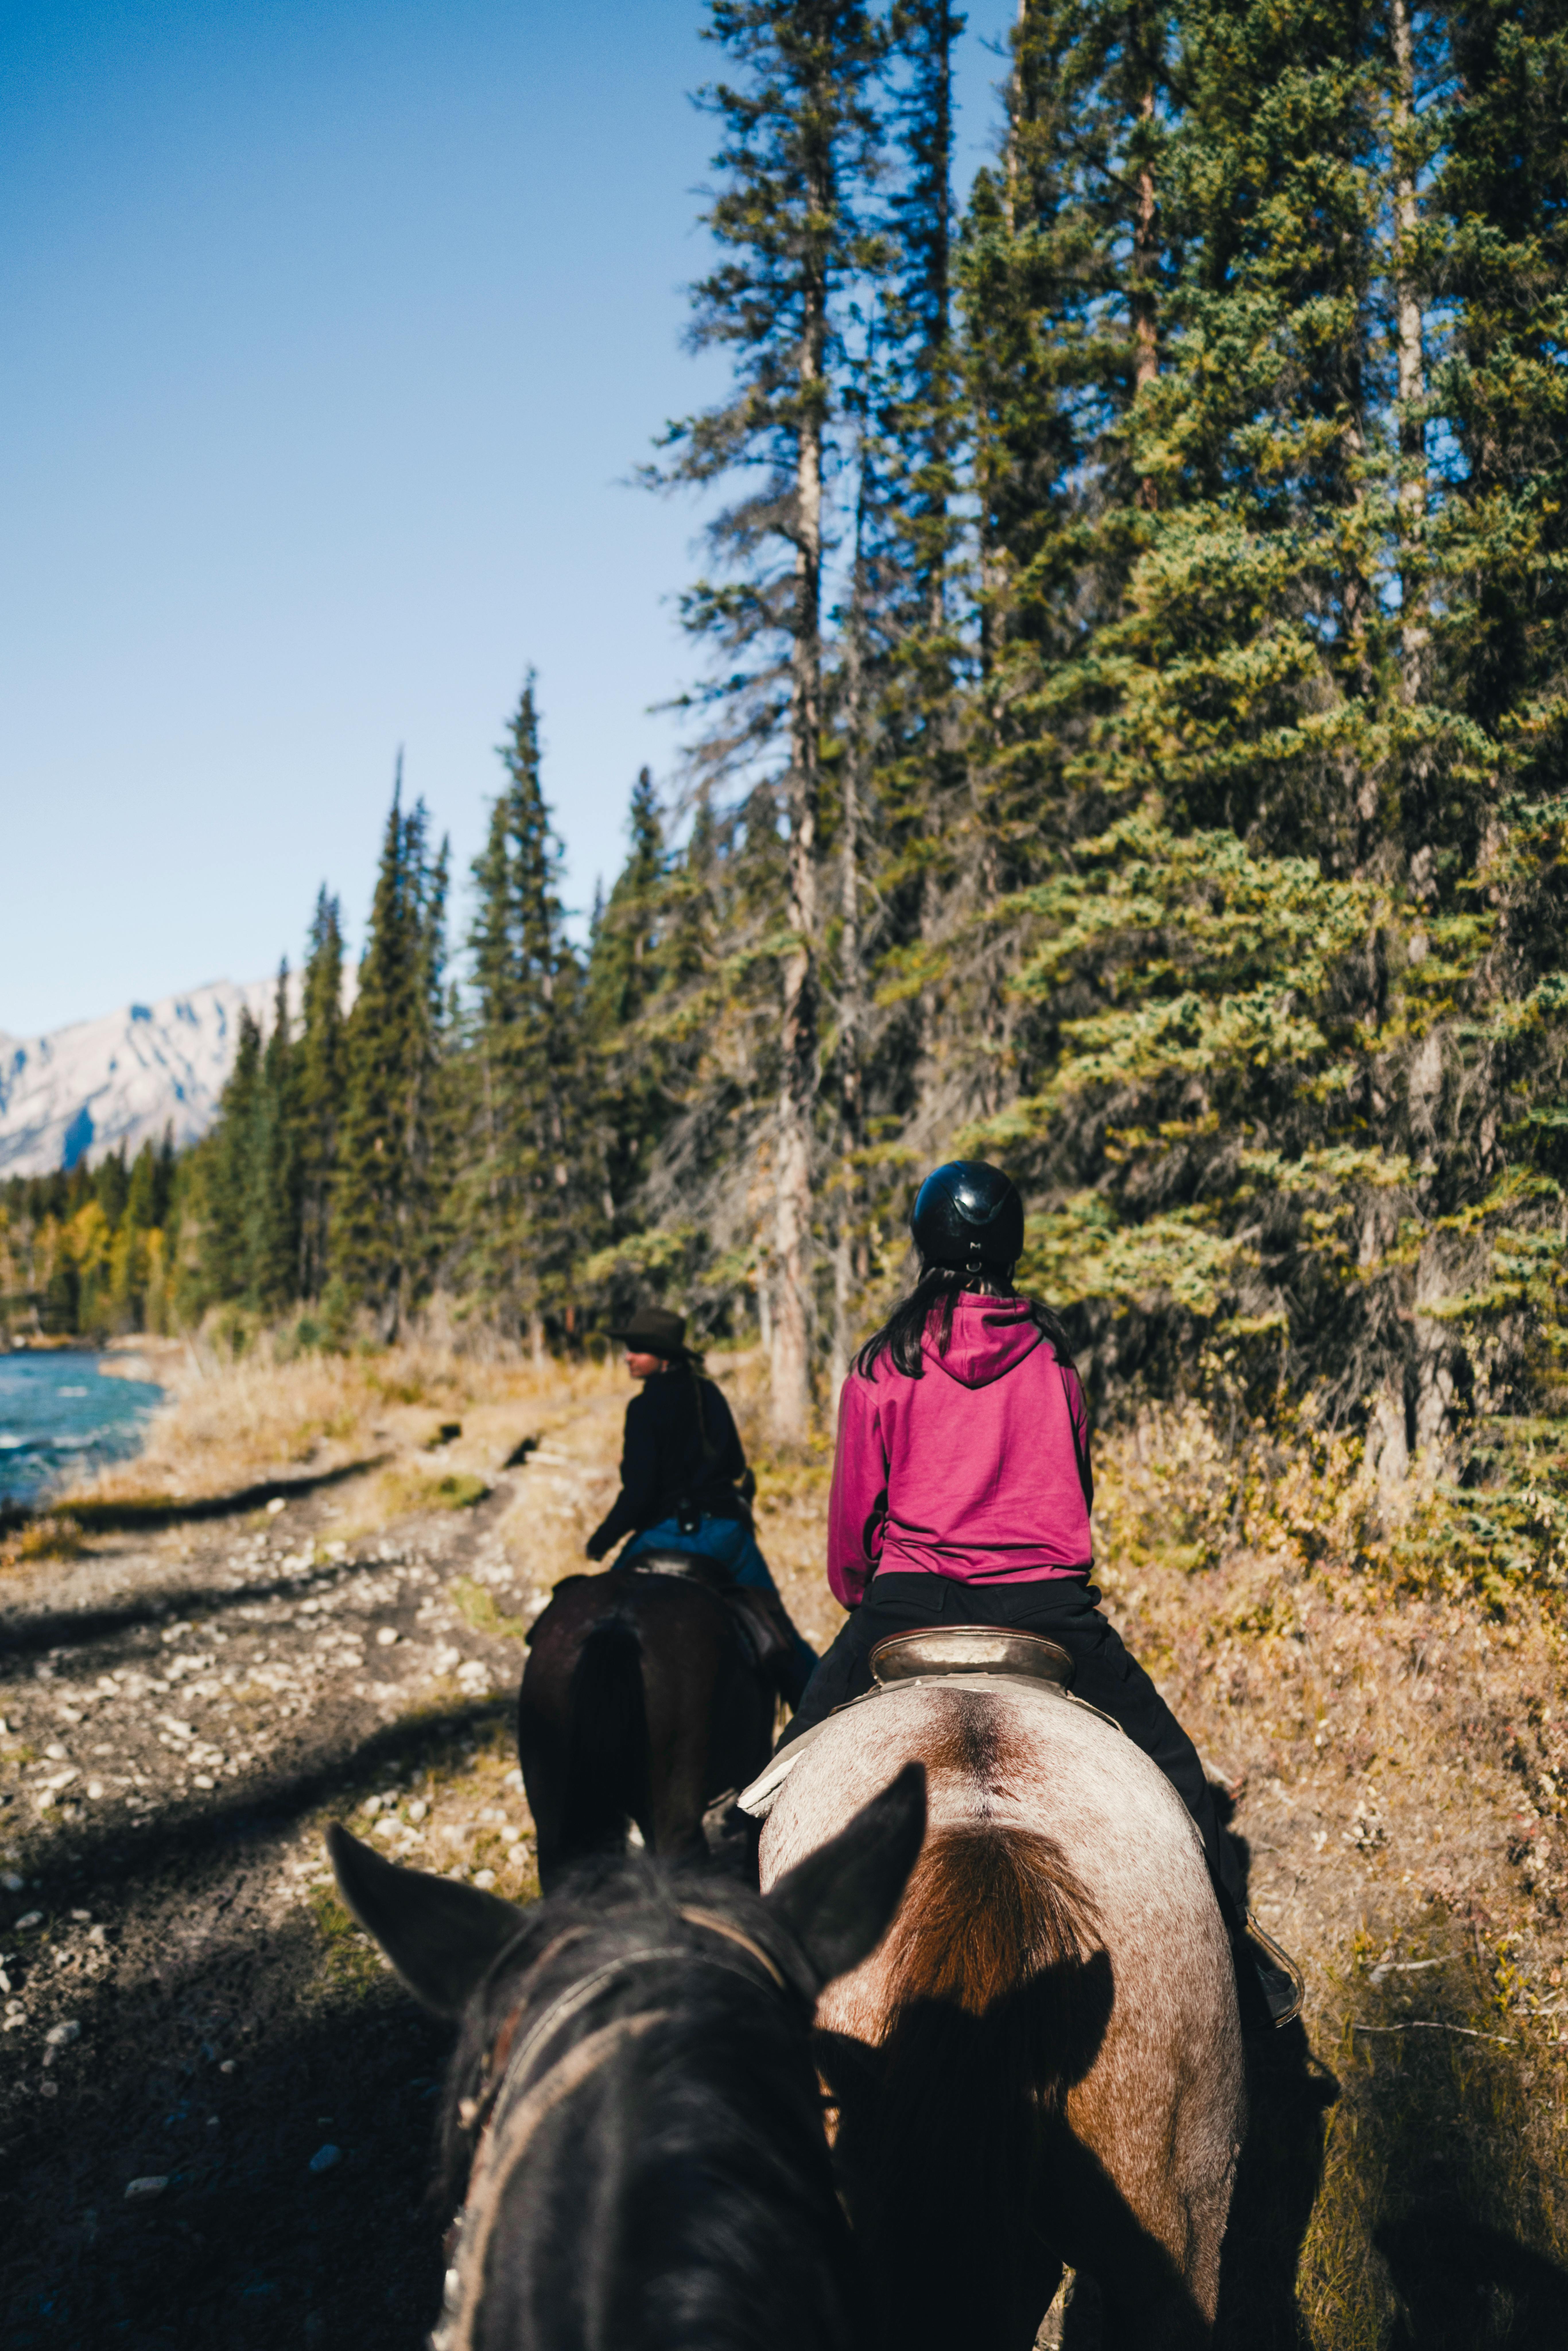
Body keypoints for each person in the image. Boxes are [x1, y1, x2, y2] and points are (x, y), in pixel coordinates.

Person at [784, 1159, 1302, 2028]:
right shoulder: (1055, 1362)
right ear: (1013, 1243)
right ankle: (1241, 1967)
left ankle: (730, 1954)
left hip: (910, 1600)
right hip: (1045, 1608)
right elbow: (1076, 1489)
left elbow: (852, 1528)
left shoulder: (881, 1365)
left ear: (925, 1240)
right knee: (1178, 1774)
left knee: (780, 1771)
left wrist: (865, 1599)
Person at [585, 1304, 818, 1707]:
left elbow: (639, 1495)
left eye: (638, 1349)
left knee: (603, 1616)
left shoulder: (642, 1409)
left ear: (664, 1358)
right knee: (779, 1632)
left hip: (663, 1536)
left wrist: (601, 1541)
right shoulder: (708, 1393)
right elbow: (737, 1466)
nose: (628, 1357)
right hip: (724, 1535)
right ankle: (816, 1714)